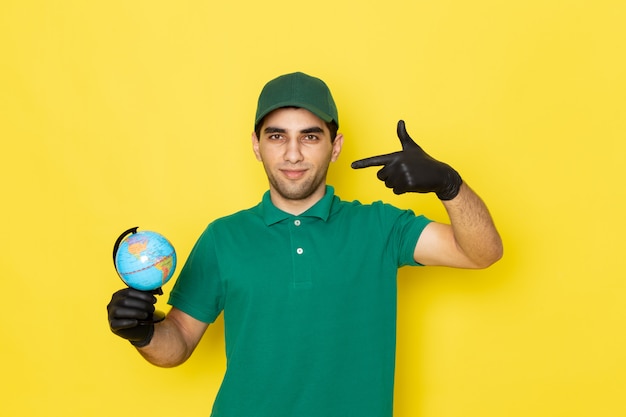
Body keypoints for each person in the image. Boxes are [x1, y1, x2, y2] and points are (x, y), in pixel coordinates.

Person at [107, 72, 503, 417]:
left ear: (335, 146)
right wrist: (143, 332)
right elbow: (177, 345)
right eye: (277, 136)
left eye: (310, 137)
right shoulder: (223, 237)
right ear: (256, 145)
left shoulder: (380, 226)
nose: (292, 154)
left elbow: (481, 253)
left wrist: (450, 185)